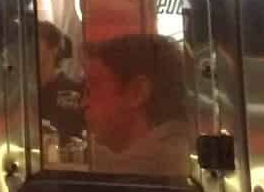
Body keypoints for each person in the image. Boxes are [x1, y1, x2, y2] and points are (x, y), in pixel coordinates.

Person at [82, 33, 191, 177]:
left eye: (93, 87)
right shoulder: (182, 156)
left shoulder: (143, 172)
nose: (84, 103)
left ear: (137, 93)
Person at [36, 21, 87, 149]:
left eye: (35, 41)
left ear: (54, 49)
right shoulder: (22, 93)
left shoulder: (72, 90)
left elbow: (73, 134)